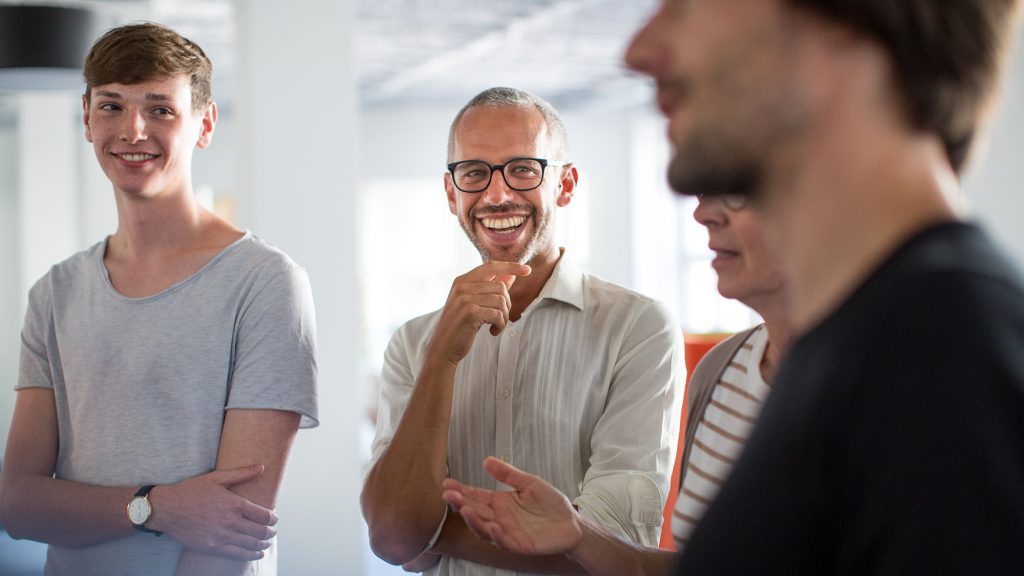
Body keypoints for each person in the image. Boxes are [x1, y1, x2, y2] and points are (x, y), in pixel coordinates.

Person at [448, 0, 1024, 573]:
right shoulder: (857, 339)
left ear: (845, 34)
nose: (640, 50)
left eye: (690, 8)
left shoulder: (948, 353)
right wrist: (579, 537)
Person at [0, 23, 318, 576]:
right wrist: (155, 506)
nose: (133, 130)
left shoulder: (265, 283)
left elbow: (231, 527)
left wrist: (106, 509)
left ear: (205, 124)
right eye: (112, 106)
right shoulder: (55, 292)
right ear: (86, 118)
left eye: (160, 109)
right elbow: (19, 505)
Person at [360, 86, 685, 575]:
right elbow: (391, 538)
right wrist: (441, 360)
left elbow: (609, 550)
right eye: (474, 173)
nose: (496, 194)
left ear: (566, 184)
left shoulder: (638, 328)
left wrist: (431, 529)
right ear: (452, 194)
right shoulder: (413, 344)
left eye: (523, 169)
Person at [441, 192, 793, 575]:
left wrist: (434, 532)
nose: (703, 212)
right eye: (706, 193)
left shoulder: (864, 385)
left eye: (739, 189)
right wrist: (580, 536)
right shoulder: (720, 370)